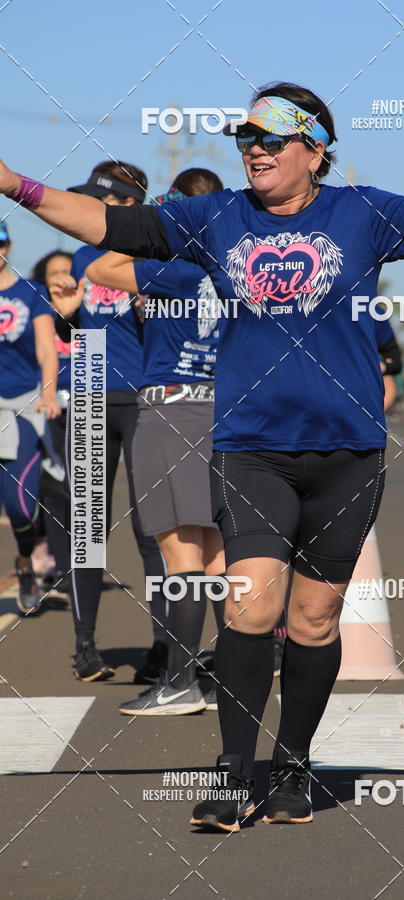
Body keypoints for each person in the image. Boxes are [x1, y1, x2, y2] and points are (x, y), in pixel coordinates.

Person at [1, 83, 404, 831]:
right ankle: (231, 773)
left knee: (314, 621)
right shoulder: (216, 217)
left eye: (270, 138)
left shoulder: (363, 213)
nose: (253, 149)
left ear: (314, 149)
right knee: (250, 603)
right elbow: (99, 219)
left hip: (347, 454)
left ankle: (294, 764)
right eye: (245, 138)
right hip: (252, 449)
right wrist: (9, 179)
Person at [84, 167, 226, 714]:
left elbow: (101, 265)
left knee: (178, 551)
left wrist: (157, 224)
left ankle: (181, 681)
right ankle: (225, 680)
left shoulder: (177, 267)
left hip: (173, 407)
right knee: (215, 553)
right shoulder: (234, 266)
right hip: (222, 405)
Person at [47, 160, 166, 683]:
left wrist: (149, 303)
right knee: (89, 529)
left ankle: (164, 648)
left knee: (152, 529)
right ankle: (85, 646)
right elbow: (78, 330)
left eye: (104, 200)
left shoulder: (157, 251)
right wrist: (69, 315)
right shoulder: (81, 253)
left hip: (145, 396)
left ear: (129, 205)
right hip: (92, 388)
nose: (92, 209)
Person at [0, 223, 61, 613]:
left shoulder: (30, 293)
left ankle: (25, 563)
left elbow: (46, 348)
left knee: (21, 508)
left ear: (7, 245)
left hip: (20, 406)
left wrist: (49, 391)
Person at [31, 250, 74, 598]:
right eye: (53, 272)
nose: (60, 277)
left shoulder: (88, 309)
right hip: (48, 411)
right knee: (53, 489)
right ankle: (61, 565)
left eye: (66, 270)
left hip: (87, 408)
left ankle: (84, 566)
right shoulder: (36, 313)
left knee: (84, 490)